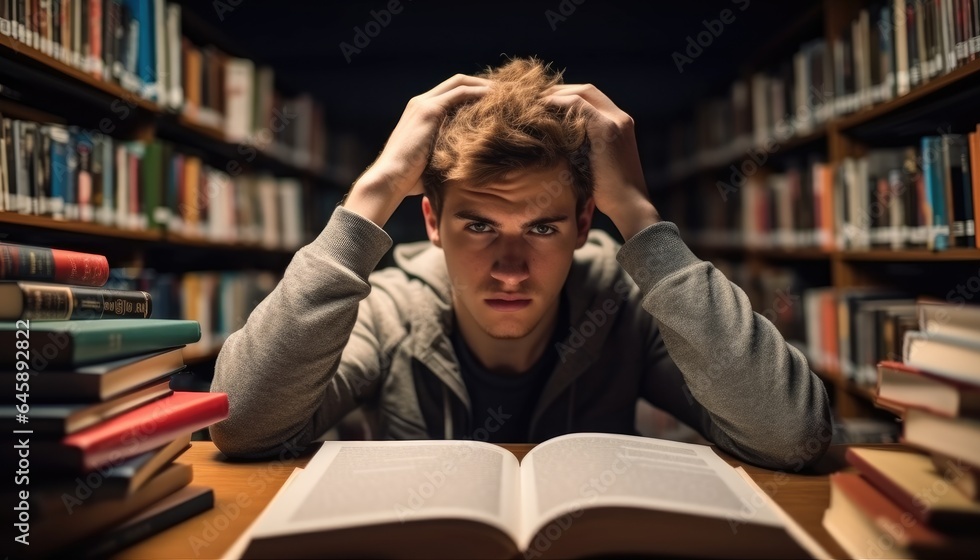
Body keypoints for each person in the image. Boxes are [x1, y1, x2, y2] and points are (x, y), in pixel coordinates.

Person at [210, 57, 832, 470]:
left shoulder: (625, 308)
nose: (510, 268)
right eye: (478, 226)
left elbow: (792, 435)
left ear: (585, 224)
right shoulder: (389, 308)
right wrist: (373, 192)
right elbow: (240, 427)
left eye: (542, 227)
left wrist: (642, 219)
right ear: (431, 223)